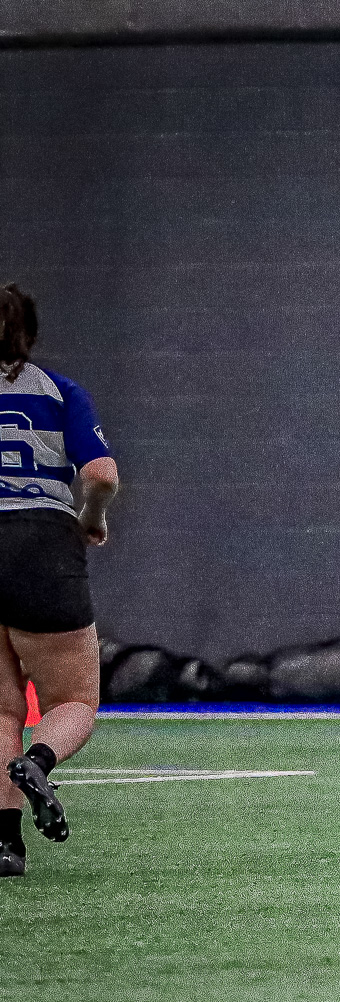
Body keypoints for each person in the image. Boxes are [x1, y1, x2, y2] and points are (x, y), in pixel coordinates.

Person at [0, 283, 120, 876]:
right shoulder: (58, 390)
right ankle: (39, 761)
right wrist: (89, 521)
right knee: (73, 700)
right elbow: (100, 474)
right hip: (39, 542)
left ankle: (4, 844)